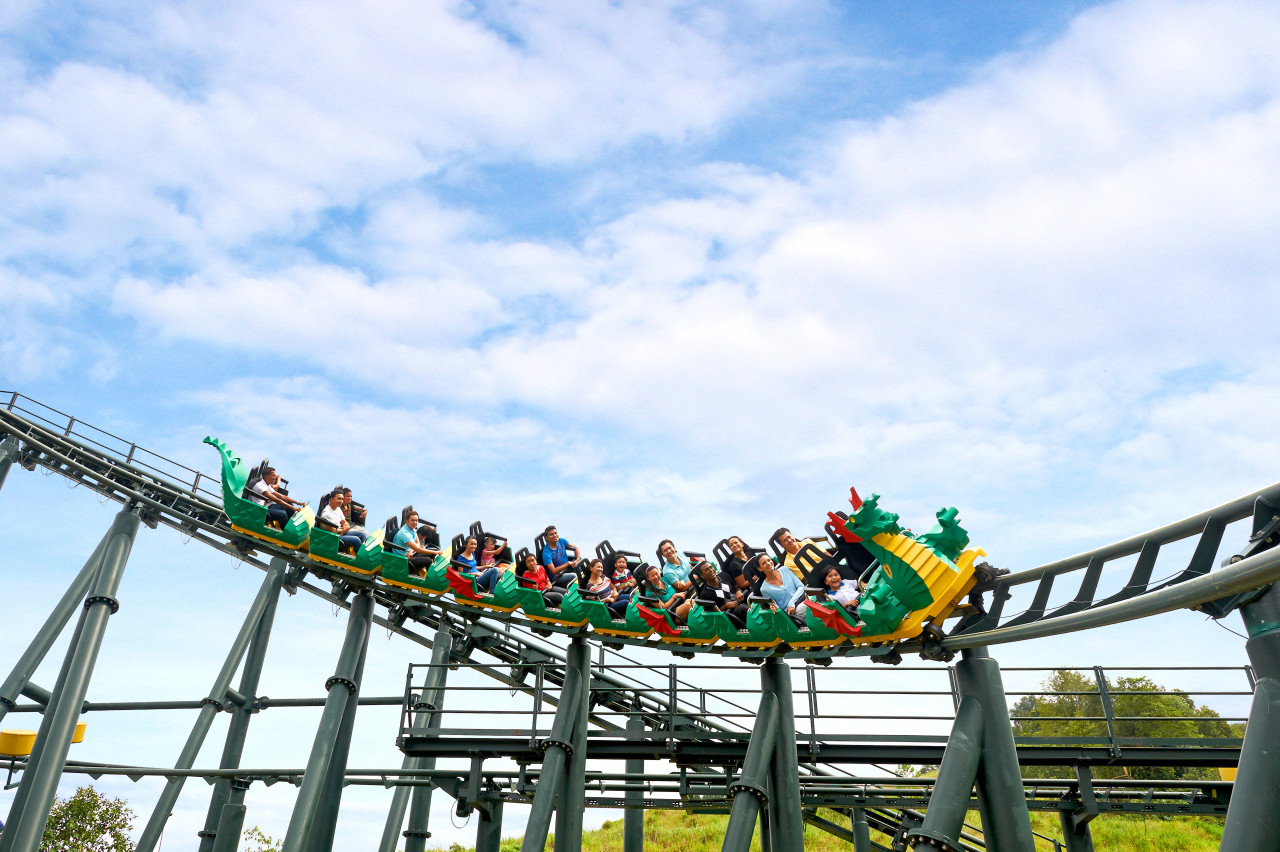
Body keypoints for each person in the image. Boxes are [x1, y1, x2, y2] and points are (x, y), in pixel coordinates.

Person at [692, 560, 746, 627]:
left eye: (711, 567)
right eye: (707, 570)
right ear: (702, 575)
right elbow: (712, 614)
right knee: (742, 608)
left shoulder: (724, 575)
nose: (711, 570)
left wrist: (738, 591)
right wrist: (725, 606)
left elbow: (736, 587)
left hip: (740, 601)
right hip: (729, 615)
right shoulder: (705, 594)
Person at [758, 553, 806, 625]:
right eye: (764, 563)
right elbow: (778, 609)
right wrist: (774, 608)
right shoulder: (764, 589)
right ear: (760, 568)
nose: (768, 563)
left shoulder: (785, 569)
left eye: (768, 560)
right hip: (794, 613)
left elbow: (801, 586)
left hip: (804, 598)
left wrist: (791, 602)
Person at [392, 509, 441, 577]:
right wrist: (435, 552)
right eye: (412, 520)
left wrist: (411, 551)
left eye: (416, 520)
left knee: (433, 551)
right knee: (428, 560)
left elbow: (417, 542)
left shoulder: (412, 529)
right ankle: (431, 578)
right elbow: (418, 549)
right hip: (404, 560)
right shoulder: (404, 534)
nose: (415, 522)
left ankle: (436, 571)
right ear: (406, 521)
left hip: (411, 554)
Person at [318, 489, 363, 554]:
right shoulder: (326, 514)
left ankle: (362, 552)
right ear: (331, 499)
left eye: (342, 499)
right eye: (339, 499)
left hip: (340, 532)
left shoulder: (337, 508)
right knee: (356, 540)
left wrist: (345, 528)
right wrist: (344, 529)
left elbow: (344, 522)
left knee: (362, 534)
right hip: (333, 537)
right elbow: (332, 530)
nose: (341, 501)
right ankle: (360, 557)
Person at [539, 526, 580, 590]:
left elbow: (575, 548)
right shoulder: (546, 553)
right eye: (551, 534)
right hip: (557, 576)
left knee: (580, 568)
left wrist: (577, 560)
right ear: (546, 537)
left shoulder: (561, 541)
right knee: (574, 576)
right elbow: (553, 571)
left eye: (555, 533)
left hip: (567, 568)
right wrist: (568, 564)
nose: (555, 535)